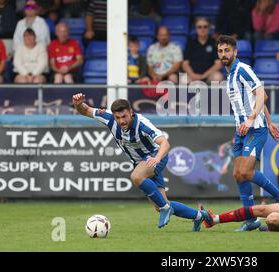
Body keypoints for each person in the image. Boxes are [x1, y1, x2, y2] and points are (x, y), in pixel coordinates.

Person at [72, 93, 211, 231]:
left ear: (131, 113)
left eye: (124, 116)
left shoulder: (142, 124)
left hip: (156, 156)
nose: (121, 121)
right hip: (141, 163)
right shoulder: (108, 118)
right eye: (118, 117)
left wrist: (157, 158)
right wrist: (78, 104)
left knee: (137, 177)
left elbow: (165, 143)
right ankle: (200, 216)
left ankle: (165, 208)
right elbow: (85, 110)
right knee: (159, 204)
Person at [211, 35, 279, 232]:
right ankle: (251, 220)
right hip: (241, 130)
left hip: (255, 128)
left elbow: (262, 93)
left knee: (245, 171)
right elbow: (259, 98)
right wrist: (270, 121)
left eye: (227, 50)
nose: (223, 54)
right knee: (238, 175)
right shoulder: (229, 76)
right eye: (220, 51)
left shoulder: (243, 69)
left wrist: (256, 119)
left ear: (235, 51)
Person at [182, 17, 223, 84]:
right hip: (192, 76)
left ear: (209, 28)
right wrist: (192, 75)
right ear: (196, 29)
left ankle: (213, 95)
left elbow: (218, 64)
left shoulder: (214, 43)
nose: (202, 29)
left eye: (205, 27)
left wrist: (204, 75)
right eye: (199, 27)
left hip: (209, 76)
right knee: (183, 79)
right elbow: (185, 64)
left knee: (218, 77)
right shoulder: (190, 43)